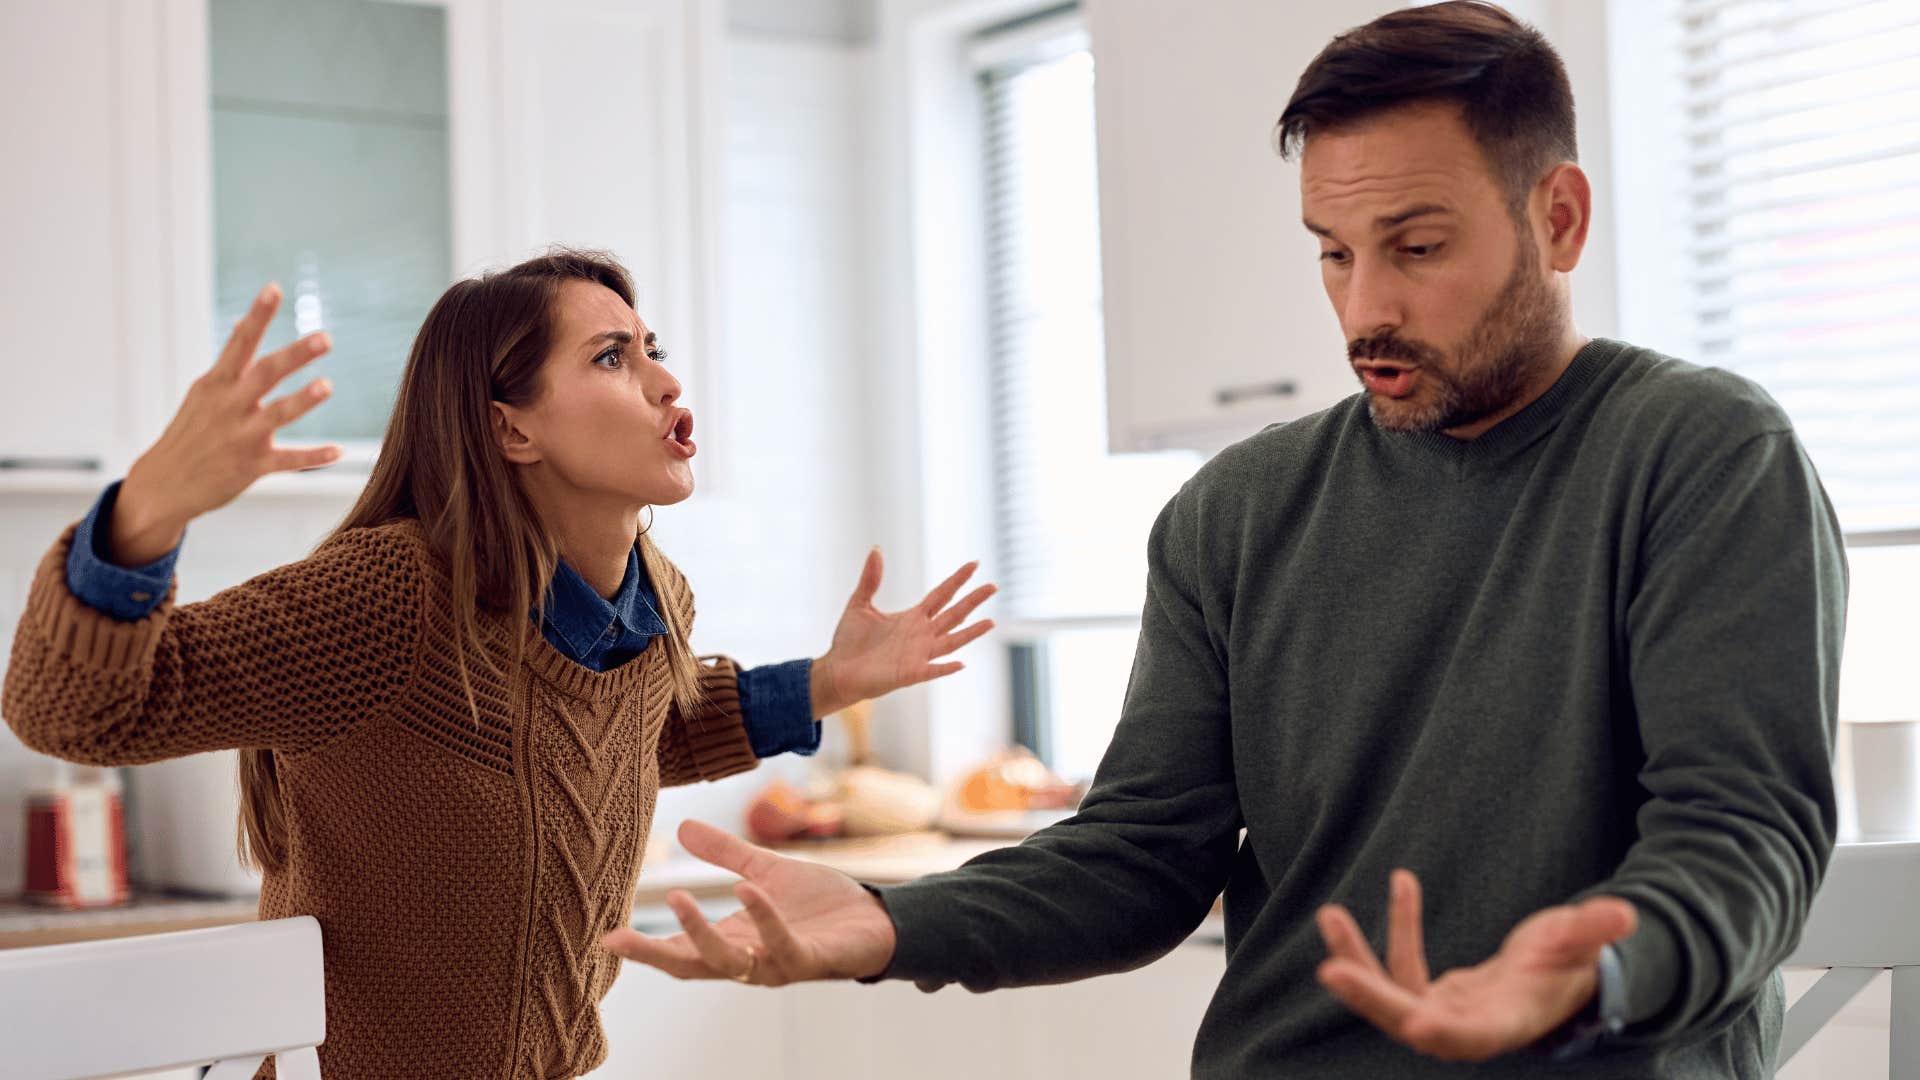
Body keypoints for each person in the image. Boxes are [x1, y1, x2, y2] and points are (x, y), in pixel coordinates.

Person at [600, 4, 1847, 1076]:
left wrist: (1596, 969)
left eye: (1418, 249)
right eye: (1334, 254)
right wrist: (893, 925)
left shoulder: (1699, 456)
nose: (1367, 309)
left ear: (1559, 219)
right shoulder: (1239, 513)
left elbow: (1744, 835)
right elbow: (1142, 855)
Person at [2, 248, 997, 1078]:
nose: (665, 379)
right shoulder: (393, 596)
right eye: (613, 356)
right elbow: (70, 713)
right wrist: (148, 512)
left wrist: (826, 682)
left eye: (653, 348)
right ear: (510, 425)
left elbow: (621, 738)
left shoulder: (654, 601)